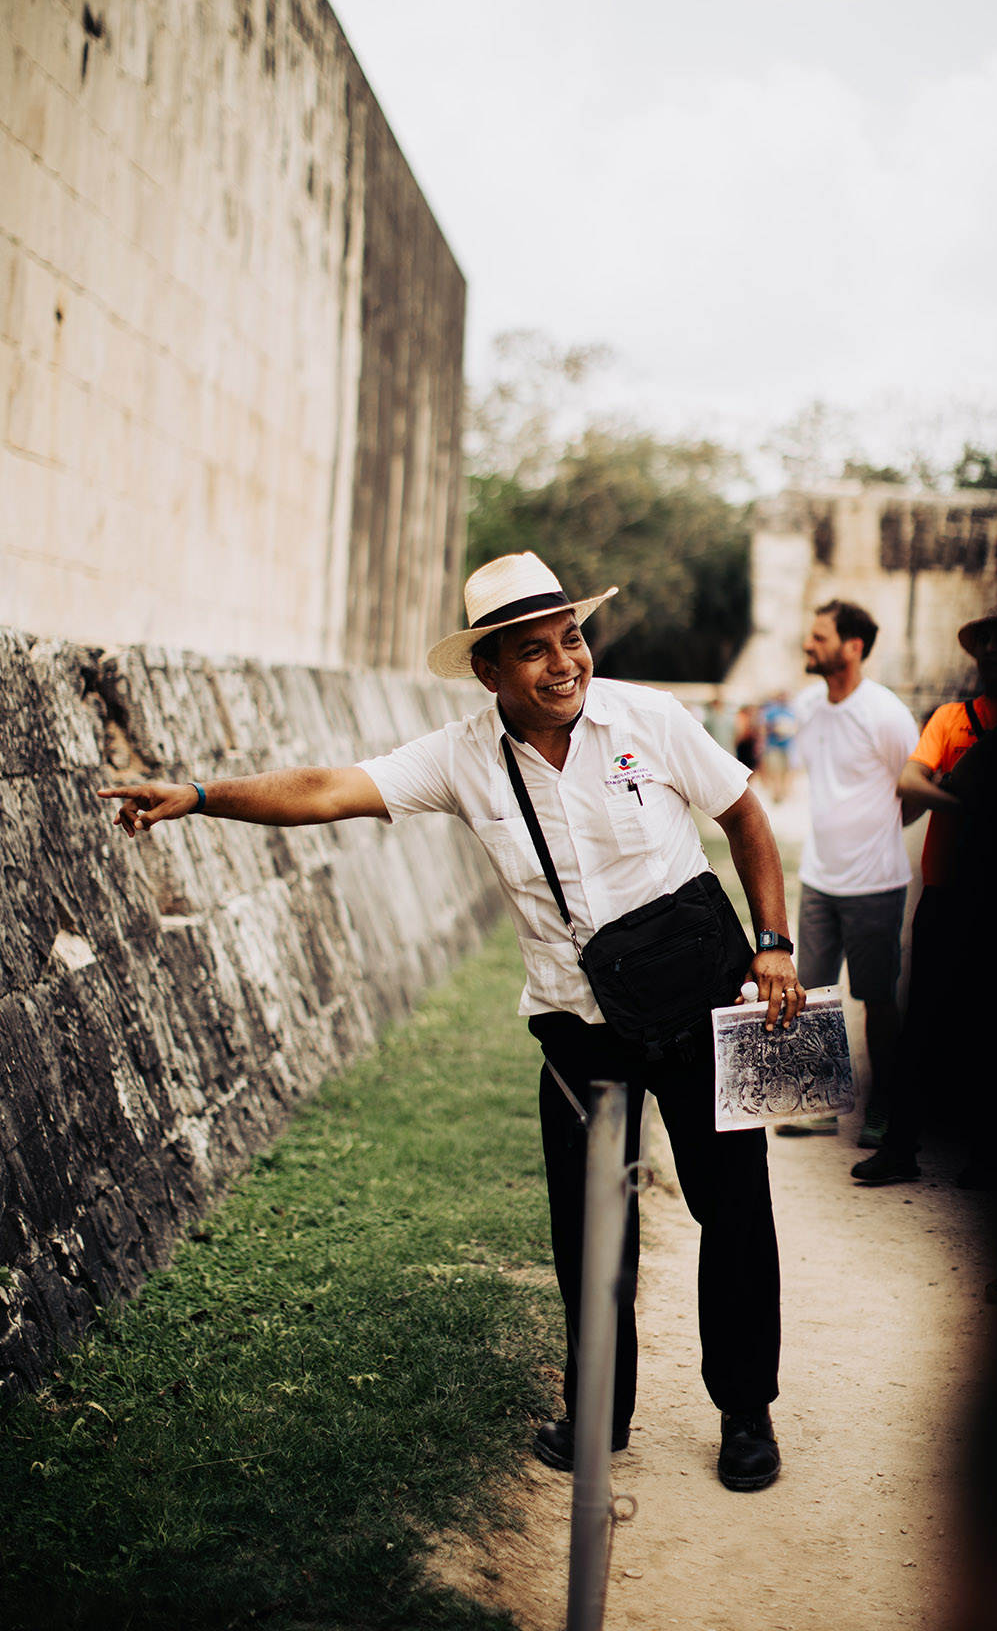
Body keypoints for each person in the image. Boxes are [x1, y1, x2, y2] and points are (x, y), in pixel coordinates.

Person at [99, 552, 803, 1493]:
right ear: (489, 671)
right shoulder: (461, 758)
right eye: (533, 651)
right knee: (594, 1232)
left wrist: (774, 944)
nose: (564, 664)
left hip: (706, 996)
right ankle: (600, 1417)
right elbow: (322, 791)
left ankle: (745, 1413)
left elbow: (744, 816)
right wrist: (196, 796)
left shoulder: (651, 719)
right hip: (579, 1029)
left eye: (572, 638)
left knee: (737, 1208)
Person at [850, 600, 997, 1186]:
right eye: (987, 640)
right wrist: (970, 798)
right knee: (924, 1022)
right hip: (946, 898)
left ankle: (990, 1158)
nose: (993, 650)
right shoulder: (953, 717)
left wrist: (949, 785)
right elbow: (908, 780)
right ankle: (901, 1148)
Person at [776, 600, 919, 1147]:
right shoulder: (810, 705)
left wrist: (878, 836)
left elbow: (914, 790)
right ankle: (821, 1105)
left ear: (852, 647)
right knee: (810, 993)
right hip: (819, 878)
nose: (808, 645)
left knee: (877, 999)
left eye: (819, 637)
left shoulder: (884, 713)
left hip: (875, 884)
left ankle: (884, 1108)